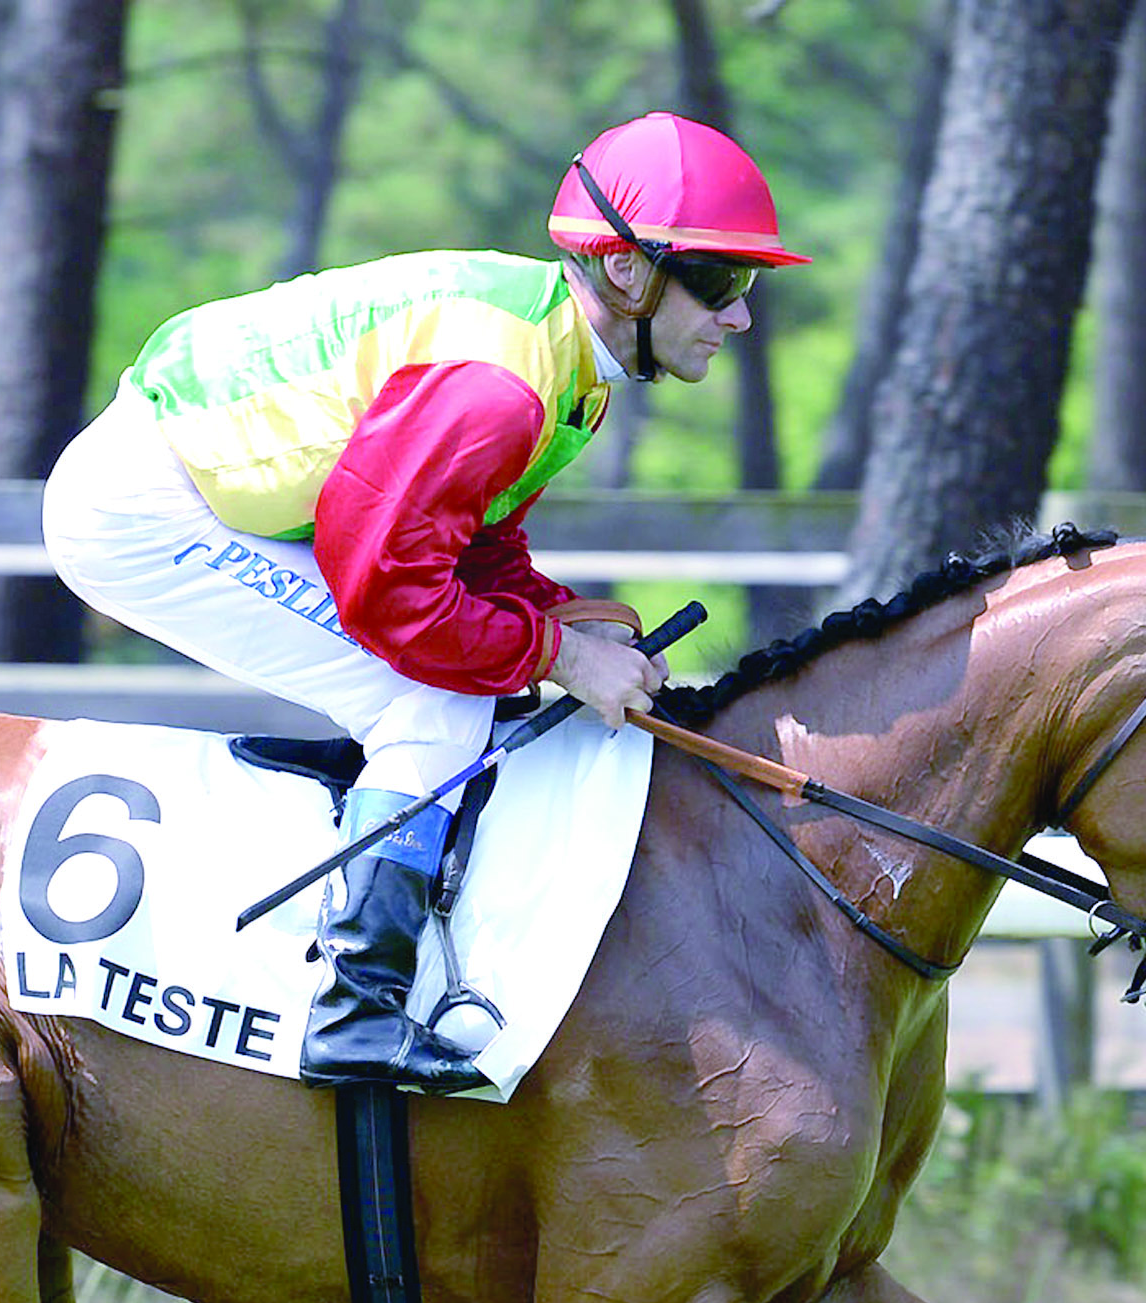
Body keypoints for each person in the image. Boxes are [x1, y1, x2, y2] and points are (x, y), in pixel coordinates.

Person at [42, 111, 808, 1092]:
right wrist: (560, 656)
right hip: (146, 507)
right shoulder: (507, 387)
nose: (740, 315)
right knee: (431, 701)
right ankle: (353, 1013)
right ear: (629, 272)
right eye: (723, 281)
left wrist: (554, 613)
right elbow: (392, 594)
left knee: (466, 680)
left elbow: (468, 538)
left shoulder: (568, 361)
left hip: (211, 484)